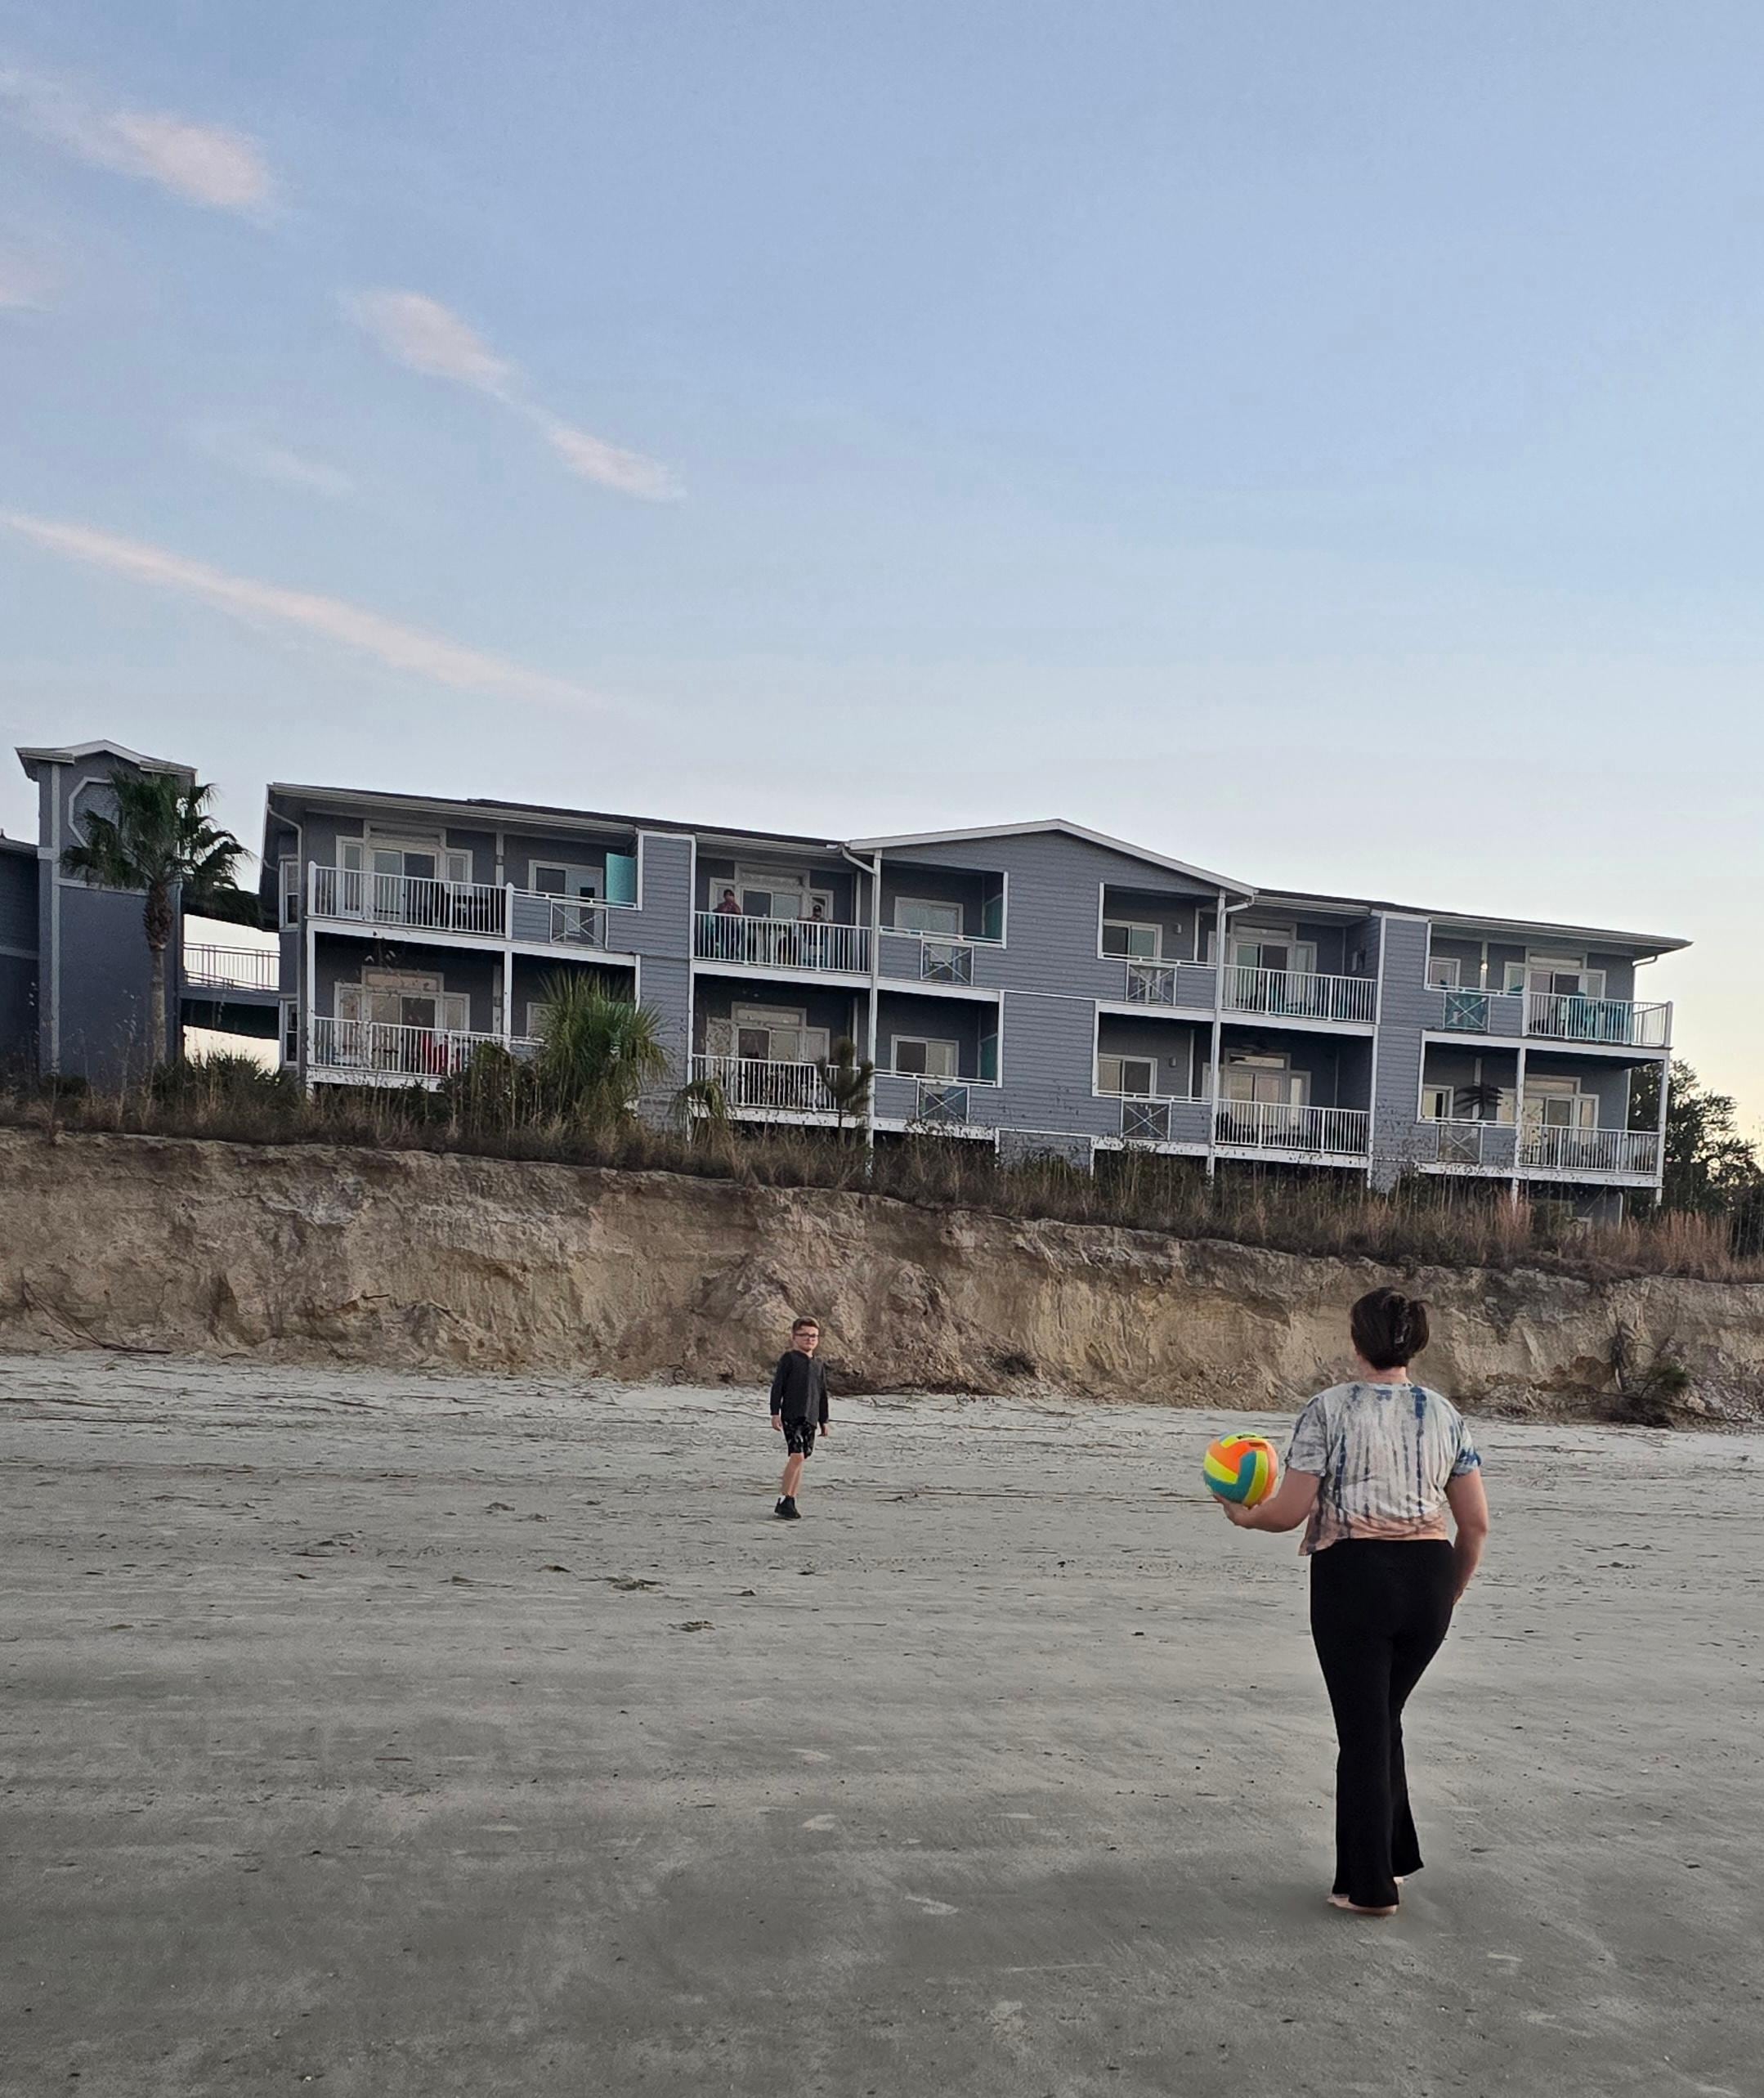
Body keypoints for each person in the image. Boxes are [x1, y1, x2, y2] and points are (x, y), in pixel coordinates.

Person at [1220, 1285, 1490, 1917]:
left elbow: (1289, 1513)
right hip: (1428, 1577)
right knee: (1380, 1722)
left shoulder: (1328, 1410)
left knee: (1364, 1733)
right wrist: (1449, 1592)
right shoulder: (1445, 1415)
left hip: (1354, 1579)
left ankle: (1368, 1888)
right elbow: (1474, 1525)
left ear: (1355, 1340)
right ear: (1413, 1343)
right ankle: (1390, 1859)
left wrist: (1241, 1516)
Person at [769, 1316, 830, 1520]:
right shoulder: (789, 1359)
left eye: (813, 1336)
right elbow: (778, 1387)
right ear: (794, 1337)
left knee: (803, 1457)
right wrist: (774, 1413)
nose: (809, 1339)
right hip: (791, 1415)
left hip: (810, 1418)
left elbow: (822, 1394)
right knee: (796, 1456)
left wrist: (824, 1420)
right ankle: (784, 1498)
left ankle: (792, 1498)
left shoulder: (818, 1365)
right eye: (804, 1335)